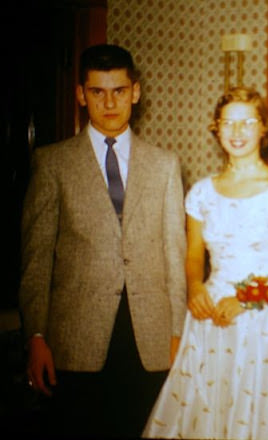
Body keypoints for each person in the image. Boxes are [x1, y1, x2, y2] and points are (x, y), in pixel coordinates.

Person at [19, 44, 187, 437]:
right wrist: (36, 337)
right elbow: (37, 259)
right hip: (75, 338)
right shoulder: (52, 163)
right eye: (97, 91)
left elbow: (174, 256)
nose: (109, 102)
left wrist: (178, 332)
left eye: (119, 91)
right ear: (81, 94)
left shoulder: (165, 165)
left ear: (136, 92)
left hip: (149, 337)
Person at [143, 86, 268, 439]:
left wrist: (248, 299)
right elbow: (194, 254)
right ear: (216, 128)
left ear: (263, 129)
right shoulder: (201, 192)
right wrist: (195, 286)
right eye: (229, 123)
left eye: (248, 122)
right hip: (210, 319)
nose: (238, 131)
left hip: (266, 322)